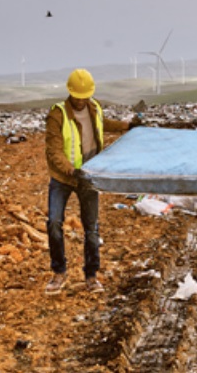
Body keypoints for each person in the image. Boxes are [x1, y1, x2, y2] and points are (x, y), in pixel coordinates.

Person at [44, 68, 134, 294]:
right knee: (54, 223)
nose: (81, 100)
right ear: (70, 93)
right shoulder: (58, 115)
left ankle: (91, 276)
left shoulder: (94, 107)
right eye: (78, 96)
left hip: (90, 176)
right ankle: (59, 272)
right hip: (64, 178)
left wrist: (127, 126)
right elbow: (54, 152)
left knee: (92, 229)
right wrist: (73, 172)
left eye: (85, 96)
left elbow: (103, 124)